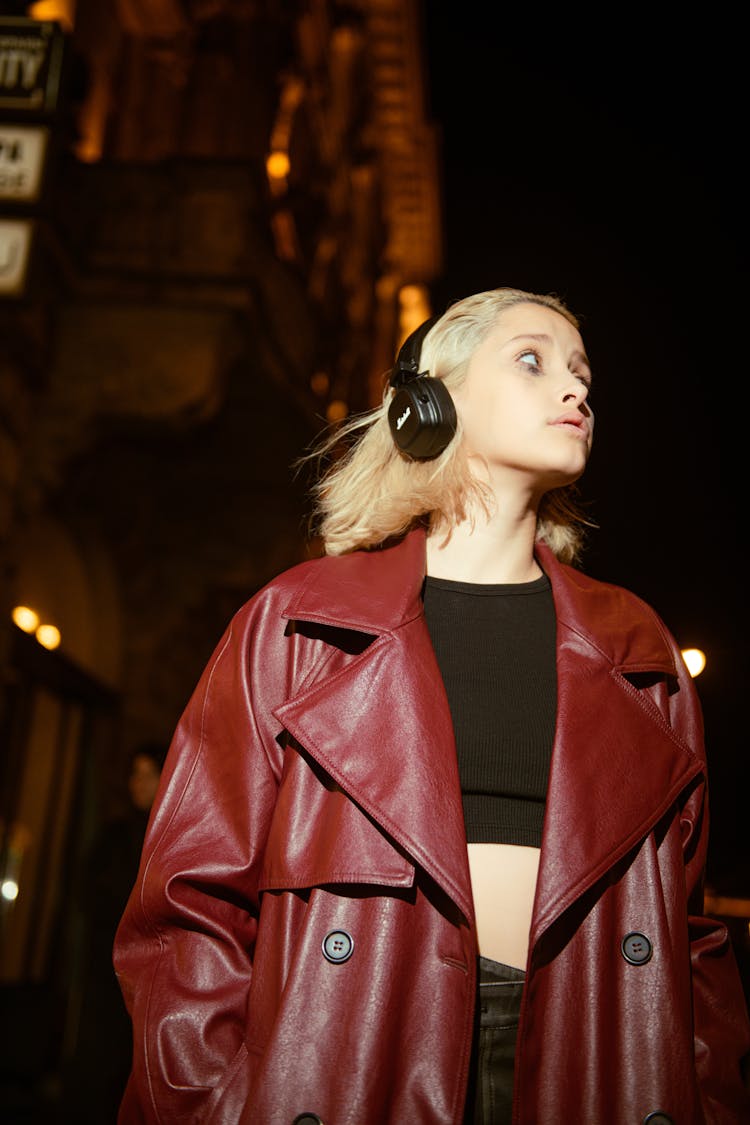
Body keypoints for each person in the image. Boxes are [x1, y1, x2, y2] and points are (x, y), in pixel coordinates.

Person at [113, 287, 750, 1124]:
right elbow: (185, 911)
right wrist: (215, 1106)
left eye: (581, 372)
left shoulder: (641, 650)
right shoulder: (299, 623)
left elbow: (691, 935)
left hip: (589, 1059)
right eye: (533, 360)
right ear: (431, 400)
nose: (576, 390)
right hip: (348, 1061)